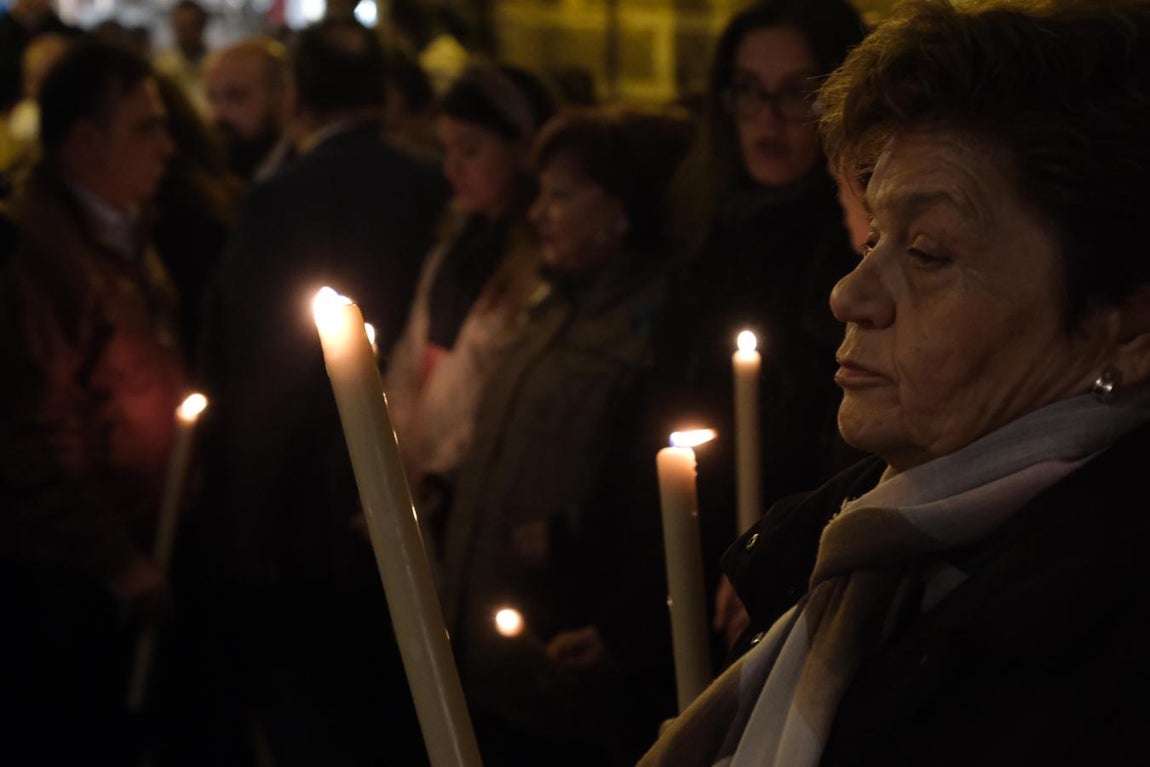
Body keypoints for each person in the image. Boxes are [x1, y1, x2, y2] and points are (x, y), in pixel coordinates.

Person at [639, 1, 1150, 764]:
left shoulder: (1101, 653)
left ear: (1129, 324)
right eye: (873, 236)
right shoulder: (855, 555)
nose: (849, 295)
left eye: (929, 251)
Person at [195, 16, 448, 765]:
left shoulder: (281, 197)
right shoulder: (430, 182)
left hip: (308, 496)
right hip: (408, 467)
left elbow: (265, 372)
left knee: (325, 709)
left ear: (298, 96)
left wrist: (251, 523)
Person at [440, 106, 693, 767]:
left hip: (559, 670)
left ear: (621, 210)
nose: (536, 213)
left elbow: (647, 495)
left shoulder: (654, 334)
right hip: (482, 651)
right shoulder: (554, 305)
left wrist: (614, 609)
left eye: (559, 195)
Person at [641, 0, 867, 654]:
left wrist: (780, 550)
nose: (767, 118)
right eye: (748, 91)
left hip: (769, 575)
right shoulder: (705, 224)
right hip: (677, 547)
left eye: (796, 94)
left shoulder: (850, 253)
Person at [0, 39, 182, 763]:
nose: (169, 146)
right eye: (146, 127)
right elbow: (34, 431)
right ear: (83, 139)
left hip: (142, 541)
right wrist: (114, 561)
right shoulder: (36, 257)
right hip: (76, 584)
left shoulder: (124, 228)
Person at [383, 60, 553, 541]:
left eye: (471, 151)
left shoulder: (536, 264)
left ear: (521, 150)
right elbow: (411, 359)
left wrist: (439, 475)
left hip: (465, 493)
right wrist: (396, 458)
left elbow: (492, 391)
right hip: (417, 474)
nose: (452, 169)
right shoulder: (455, 246)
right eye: (447, 151)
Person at [202, 37, 295, 181]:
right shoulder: (213, 180)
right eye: (213, 99)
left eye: (236, 97)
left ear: (279, 97)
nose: (219, 114)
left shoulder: (305, 178)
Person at [154, 0, 210, 112]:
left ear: (202, 26)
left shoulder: (216, 62)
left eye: (190, 26)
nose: (185, 32)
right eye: (180, 26)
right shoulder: (162, 66)